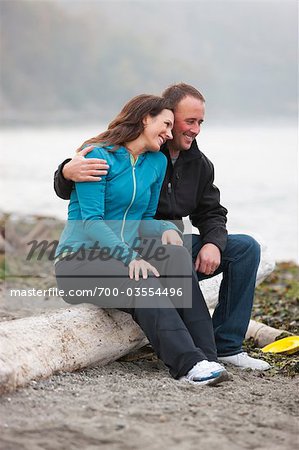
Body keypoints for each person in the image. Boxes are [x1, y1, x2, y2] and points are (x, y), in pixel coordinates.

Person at [54, 84, 270, 371]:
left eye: (200, 122)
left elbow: (202, 213)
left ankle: (211, 354)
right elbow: (89, 217)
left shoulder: (164, 162)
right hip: (86, 260)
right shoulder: (98, 155)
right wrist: (66, 170)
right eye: (184, 122)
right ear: (148, 118)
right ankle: (188, 363)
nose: (193, 130)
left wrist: (177, 233)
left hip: (146, 248)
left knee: (216, 252)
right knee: (145, 281)